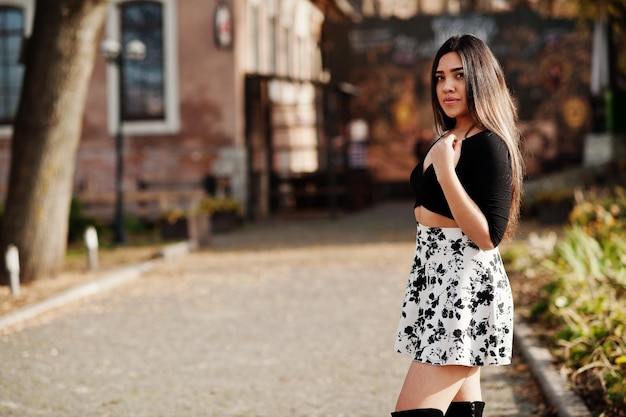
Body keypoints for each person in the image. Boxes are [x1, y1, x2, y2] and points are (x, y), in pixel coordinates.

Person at [392, 34, 524, 417]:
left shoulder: (491, 145)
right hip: (438, 281)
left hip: (464, 290)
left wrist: (446, 172)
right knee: (463, 410)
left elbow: (488, 236)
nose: (447, 86)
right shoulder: (452, 136)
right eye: (439, 77)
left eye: (459, 75)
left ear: (480, 79)